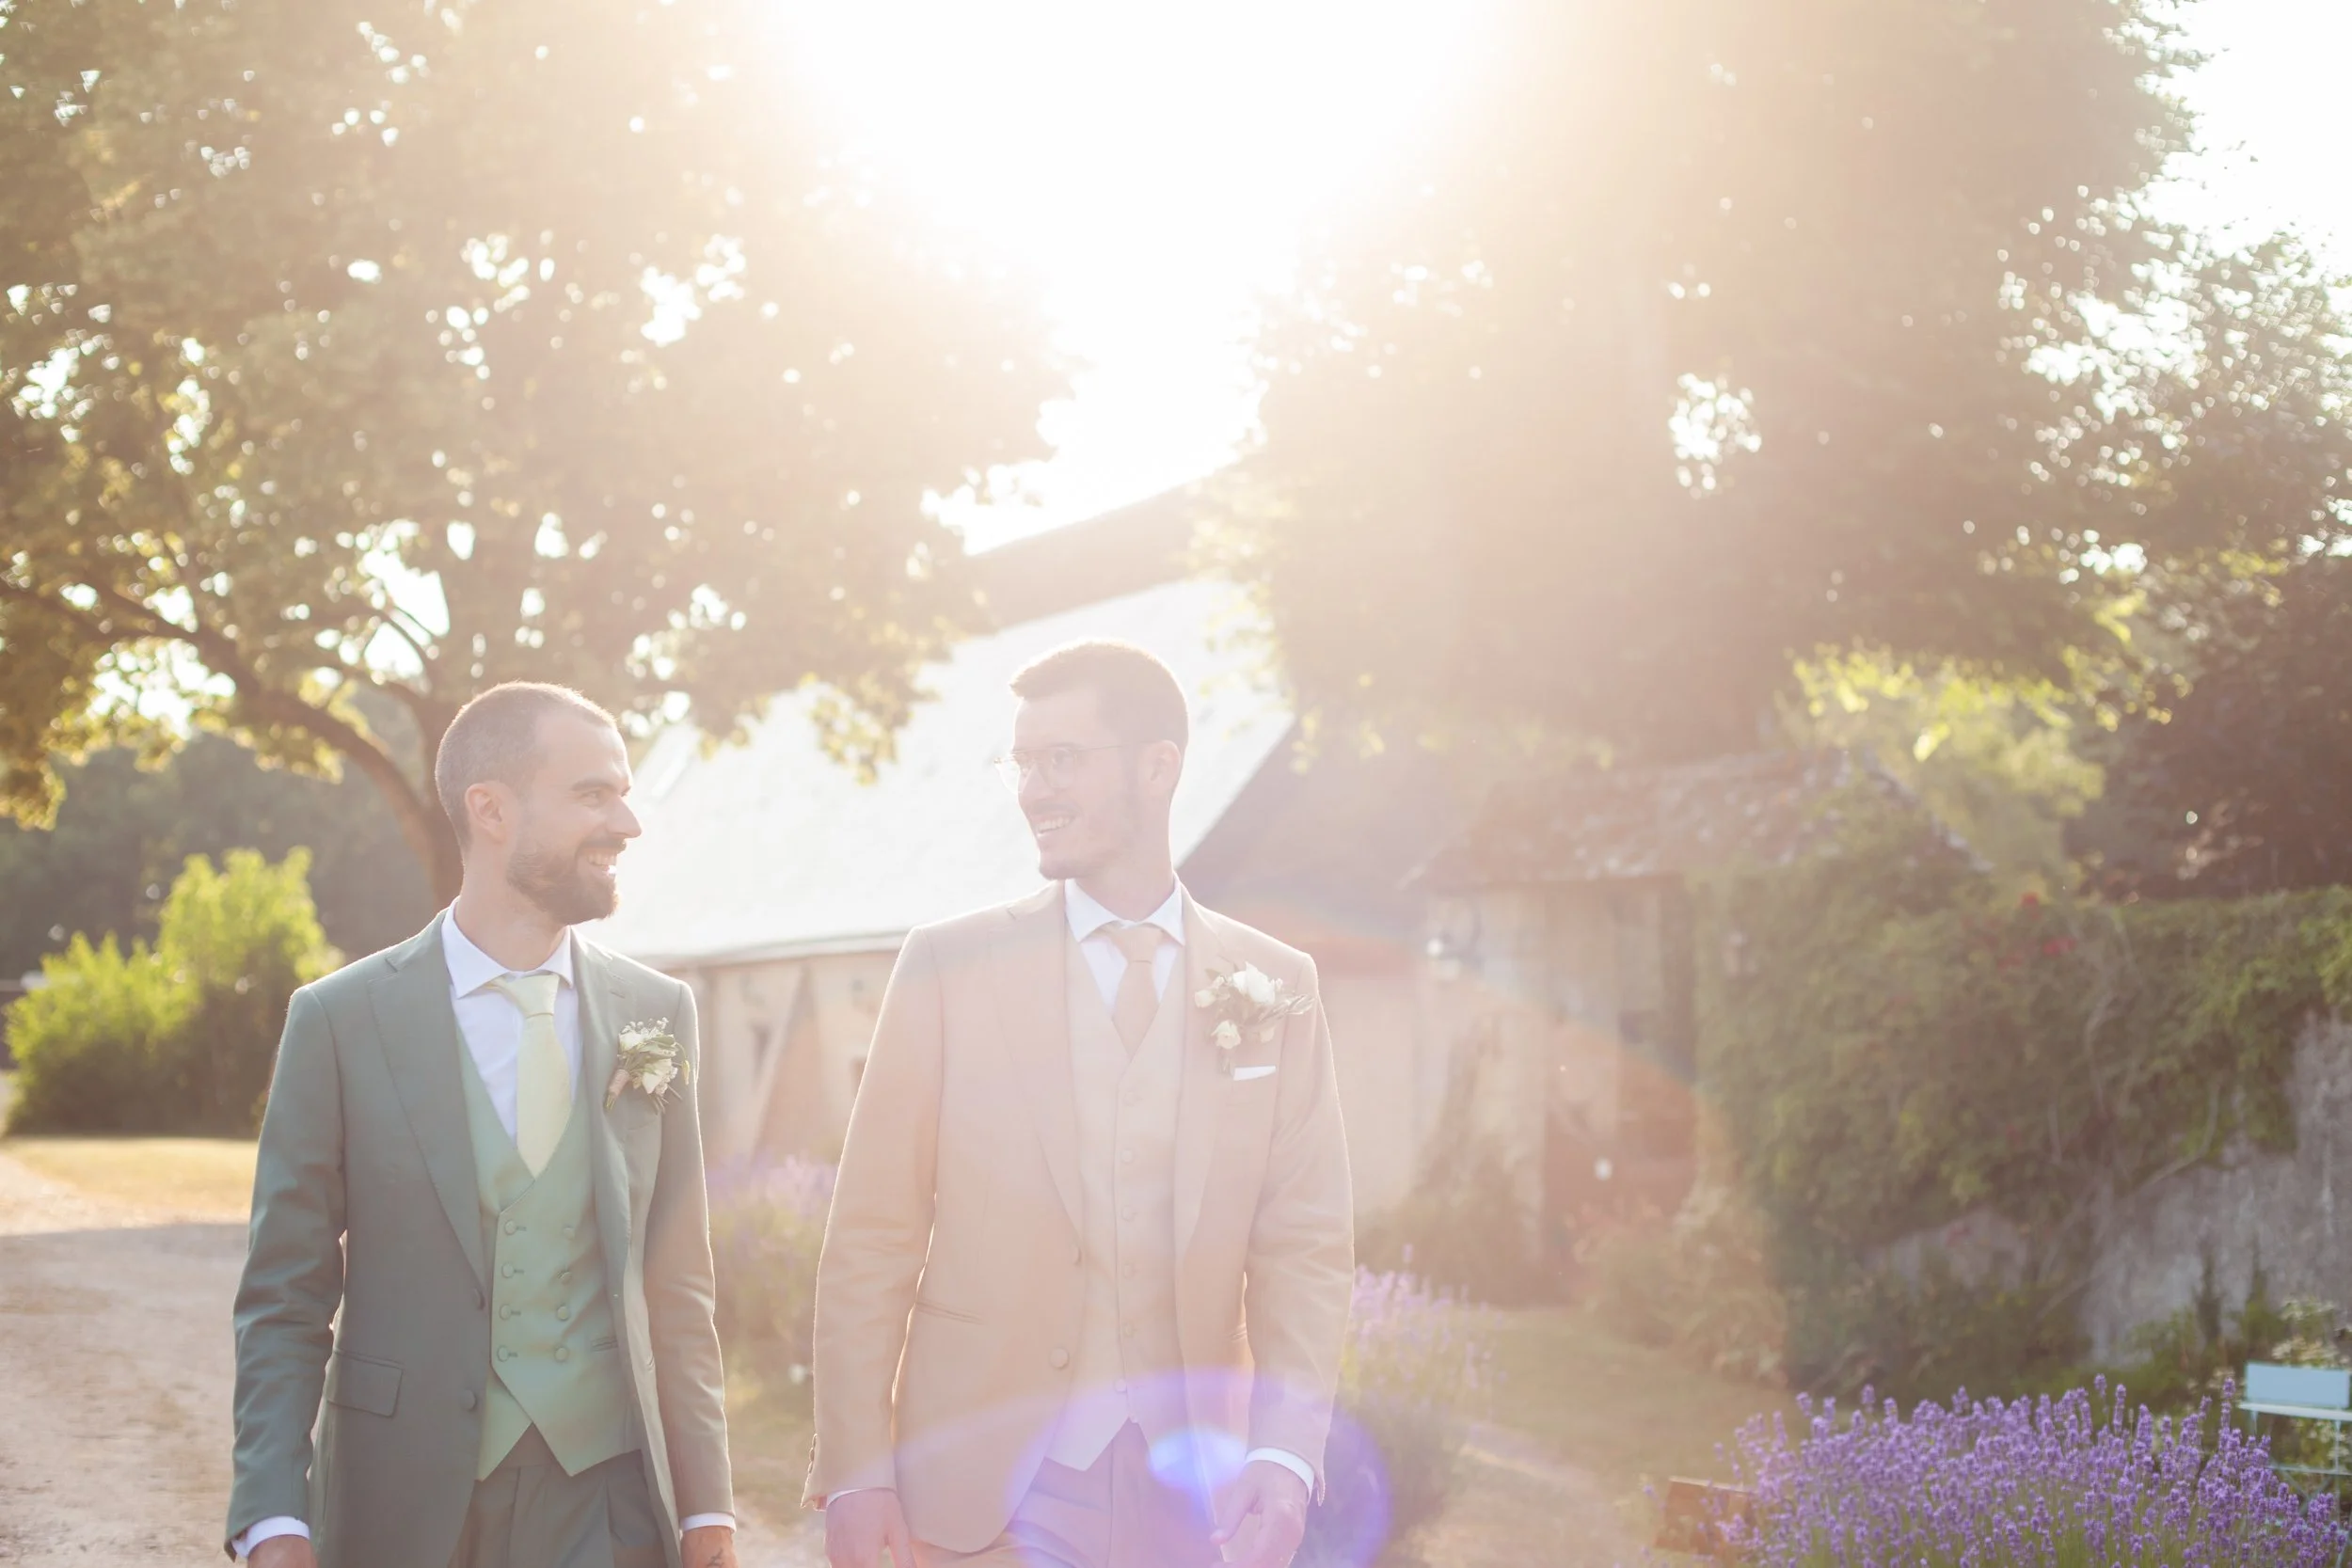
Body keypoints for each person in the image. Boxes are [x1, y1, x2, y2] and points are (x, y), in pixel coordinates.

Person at [809, 641, 1355, 1568]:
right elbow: (872, 1238)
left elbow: (1304, 1243)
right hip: (982, 1482)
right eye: (1023, 762)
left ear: (1158, 765)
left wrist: (1283, 1448)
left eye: (1063, 758)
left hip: (1194, 1491)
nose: (1033, 790)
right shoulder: (947, 966)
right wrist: (856, 1468)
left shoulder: (1275, 981)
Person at [227, 683, 738, 1568]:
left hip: (608, 1501)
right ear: (491, 809)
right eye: (592, 793)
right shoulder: (341, 1020)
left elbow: (679, 1287)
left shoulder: (658, 1011)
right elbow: (285, 1295)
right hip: (401, 1501)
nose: (628, 821)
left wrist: (708, 1511)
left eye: (622, 790)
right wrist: (273, 1512)